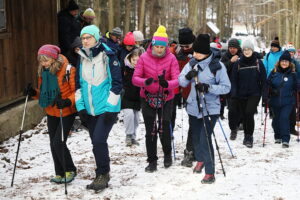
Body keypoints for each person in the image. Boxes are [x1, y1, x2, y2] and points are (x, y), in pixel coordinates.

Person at [75, 25, 122, 192]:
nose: (85, 40)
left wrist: (111, 109)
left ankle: (103, 173)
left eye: (88, 37)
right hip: (90, 110)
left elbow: (116, 84)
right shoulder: (81, 56)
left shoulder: (108, 55)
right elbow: (78, 85)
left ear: (96, 37)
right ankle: (102, 172)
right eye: (83, 38)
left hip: (106, 108)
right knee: (96, 142)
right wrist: (81, 108)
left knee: (98, 140)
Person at [179, 34, 231, 184]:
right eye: (194, 52)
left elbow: (227, 88)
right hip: (193, 107)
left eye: (198, 52)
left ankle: (210, 172)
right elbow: (181, 81)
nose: (195, 55)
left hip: (210, 108)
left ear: (207, 52)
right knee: (195, 136)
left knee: (205, 138)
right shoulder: (192, 63)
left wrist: (209, 87)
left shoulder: (217, 66)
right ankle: (200, 160)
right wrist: (189, 76)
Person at [24, 44, 77, 184]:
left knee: (58, 142)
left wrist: (67, 101)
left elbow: (77, 92)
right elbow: (44, 94)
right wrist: (33, 93)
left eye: (46, 60)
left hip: (66, 111)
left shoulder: (68, 70)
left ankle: (70, 170)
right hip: (51, 111)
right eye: (41, 60)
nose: (43, 63)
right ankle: (59, 173)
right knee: (53, 144)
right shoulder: (44, 72)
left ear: (54, 59)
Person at [132, 25, 180, 172]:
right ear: (152, 45)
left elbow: (177, 79)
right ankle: (152, 160)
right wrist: (144, 82)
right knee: (150, 130)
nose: (159, 49)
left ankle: (167, 155)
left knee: (164, 128)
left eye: (162, 47)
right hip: (147, 98)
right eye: (157, 46)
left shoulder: (171, 58)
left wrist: (167, 84)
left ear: (166, 47)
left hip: (166, 98)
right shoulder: (144, 58)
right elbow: (135, 78)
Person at [231, 40, 267, 148]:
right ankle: (246, 135)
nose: (247, 51)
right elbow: (234, 80)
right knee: (244, 115)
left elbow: (264, 80)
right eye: (245, 49)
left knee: (249, 113)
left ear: (252, 50)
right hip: (241, 94)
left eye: (249, 49)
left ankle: (249, 136)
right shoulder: (238, 63)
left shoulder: (258, 62)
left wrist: (264, 95)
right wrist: (234, 93)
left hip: (254, 93)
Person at [169, 27, 195, 167]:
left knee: (195, 121)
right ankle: (191, 150)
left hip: (197, 91)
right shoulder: (177, 52)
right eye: (183, 45)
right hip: (182, 91)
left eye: (187, 46)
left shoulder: (199, 51)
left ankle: (191, 150)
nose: (185, 48)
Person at [265, 51, 297, 148]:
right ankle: (277, 136)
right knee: (276, 120)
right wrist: (268, 92)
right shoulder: (274, 72)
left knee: (284, 118)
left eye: (286, 61)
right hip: (275, 101)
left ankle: (285, 139)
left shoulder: (293, 74)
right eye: (282, 61)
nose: (284, 63)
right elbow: (267, 84)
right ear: (279, 62)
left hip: (288, 102)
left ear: (289, 63)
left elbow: (297, 87)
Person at [220, 38, 242, 140]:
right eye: (231, 48)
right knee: (232, 108)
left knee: (240, 108)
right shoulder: (225, 56)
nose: (232, 50)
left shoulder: (242, 55)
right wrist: (230, 61)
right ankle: (233, 129)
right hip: (229, 86)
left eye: (234, 48)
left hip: (241, 86)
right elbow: (220, 68)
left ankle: (240, 123)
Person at [122, 48, 144, 146]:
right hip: (127, 96)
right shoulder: (125, 68)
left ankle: (133, 137)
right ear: (130, 59)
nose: (135, 62)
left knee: (136, 118)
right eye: (133, 60)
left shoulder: (143, 70)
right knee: (129, 115)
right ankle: (128, 135)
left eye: (137, 60)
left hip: (138, 98)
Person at [287, 45, 300, 136]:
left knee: (292, 108)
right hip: (284, 87)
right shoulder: (283, 61)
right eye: (289, 52)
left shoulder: (296, 62)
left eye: (292, 52)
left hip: (294, 88)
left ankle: (292, 128)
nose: (291, 53)